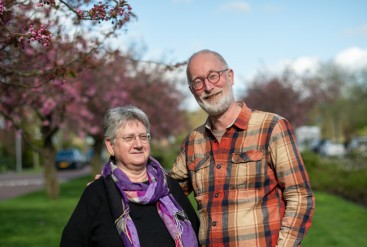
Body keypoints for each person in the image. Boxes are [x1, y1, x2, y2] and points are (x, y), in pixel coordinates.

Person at [169, 49, 315, 246]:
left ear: (230, 76)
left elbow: (300, 197)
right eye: (198, 81)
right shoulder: (193, 141)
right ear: (192, 90)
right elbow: (167, 192)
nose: (208, 87)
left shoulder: (271, 127)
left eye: (214, 76)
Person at [60, 105, 199, 247]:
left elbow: (196, 232)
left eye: (143, 137)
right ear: (110, 145)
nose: (138, 144)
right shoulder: (98, 192)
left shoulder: (168, 187)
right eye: (129, 138)